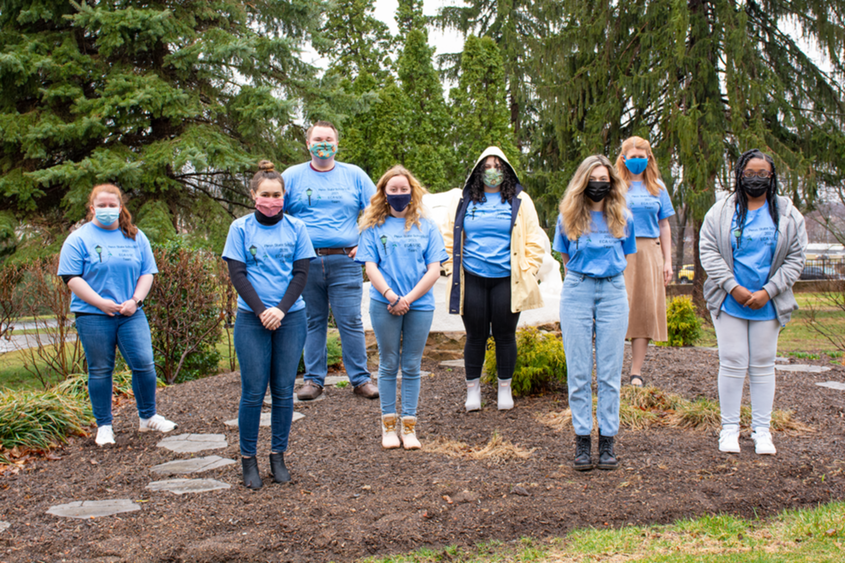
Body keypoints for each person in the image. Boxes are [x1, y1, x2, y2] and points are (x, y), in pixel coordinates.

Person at [700, 149, 806, 456]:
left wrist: (769, 291)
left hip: (768, 302)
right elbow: (708, 251)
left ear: (771, 177)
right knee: (732, 362)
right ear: (739, 175)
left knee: (762, 365)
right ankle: (729, 429)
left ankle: (762, 432)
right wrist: (733, 287)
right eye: (749, 173)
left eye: (762, 173)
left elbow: (796, 257)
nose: (755, 179)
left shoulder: (787, 213)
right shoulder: (722, 211)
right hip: (730, 299)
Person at [58, 184, 177, 447]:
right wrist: (100, 303)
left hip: (130, 313)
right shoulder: (78, 239)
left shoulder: (135, 236)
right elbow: (71, 278)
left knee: (144, 363)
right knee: (101, 370)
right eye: (102, 205)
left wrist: (136, 301)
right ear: (92, 209)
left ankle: (148, 418)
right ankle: (104, 426)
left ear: (121, 207)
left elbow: (148, 272)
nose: (108, 210)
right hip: (92, 315)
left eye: (113, 205)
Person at [222, 161, 316, 489]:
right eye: (266, 194)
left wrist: (280, 309)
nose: (272, 200)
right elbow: (237, 274)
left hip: (291, 317)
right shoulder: (240, 228)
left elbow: (301, 274)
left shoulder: (296, 228)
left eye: (277, 195)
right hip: (252, 318)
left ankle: (278, 456)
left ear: (284, 196)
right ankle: (248, 460)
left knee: (282, 391)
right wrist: (263, 310)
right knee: (252, 391)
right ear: (253, 195)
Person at [443, 147, 546, 412]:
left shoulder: (521, 201)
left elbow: (534, 241)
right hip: (472, 277)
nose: (492, 171)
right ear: (478, 171)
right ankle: (473, 391)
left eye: (498, 166)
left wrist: (529, 270)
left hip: (507, 279)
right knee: (475, 336)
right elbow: (447, 235)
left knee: (505, 335)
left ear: (507, 171)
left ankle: (504, 389)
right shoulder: (464, 201)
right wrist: (448, 267)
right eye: (487, 166)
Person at [283, 121, 379, 401]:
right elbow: (279, 212)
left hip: (345, 261)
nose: (323, 143)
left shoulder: (355, 175)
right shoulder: (292, 176)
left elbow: (376, 211)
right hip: (306, 263)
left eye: (328, 139)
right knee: (313, 321)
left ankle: (361, 380)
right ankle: (313, 381)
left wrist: (364, 243)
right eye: (318, 139)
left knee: (350, 321)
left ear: (336, 145)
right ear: (308, 144)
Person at [553, 155, 637, 471]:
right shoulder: (568, 217)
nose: (599, 184)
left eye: (604, 179)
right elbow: (565, 257)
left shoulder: (624, 217)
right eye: (593, 179)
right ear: (582, 182)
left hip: (614, 290)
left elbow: (627, 255)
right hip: (578, 289)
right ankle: (583, 440)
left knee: (609, 372)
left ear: (612, 183)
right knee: (578, 370)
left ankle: (608, 441)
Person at [356, 166, 447, 450]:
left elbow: (434, 270)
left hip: (420, 305)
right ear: (383, 193)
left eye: (403, 189)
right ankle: (388, 426)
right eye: (392, 190)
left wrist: (408, 298)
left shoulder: (427, 227)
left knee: (411, 365)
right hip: (385, 304)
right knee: (388, 363)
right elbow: (370, 266)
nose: (399, 194)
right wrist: (392, 296)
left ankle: (409, 427)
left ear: (412, 192)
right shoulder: (372, 228)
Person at [615, 136, 675, 387]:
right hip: (620, 251)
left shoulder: (657, 187)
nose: (637, 161)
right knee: (617, 309)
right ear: (623, 158)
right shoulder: (615, 186)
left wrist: (668, 260)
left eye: (642, 156)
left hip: (650, 251)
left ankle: (635, 372)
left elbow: (664, 224)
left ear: (648, 158)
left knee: (644, 310)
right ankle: (612, 369)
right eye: (633, 156)